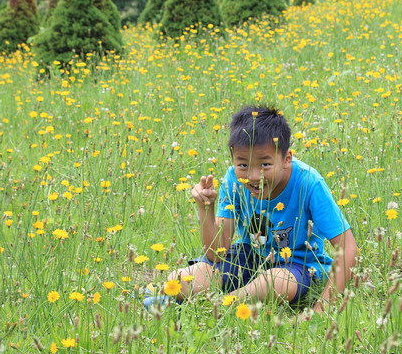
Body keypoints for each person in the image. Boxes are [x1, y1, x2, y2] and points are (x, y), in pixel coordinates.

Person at [144, 105, 357, 312]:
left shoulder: (309, 183)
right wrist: (205, 209)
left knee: (275, 283)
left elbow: (347, 246)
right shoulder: (233, 180)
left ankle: (217, 306)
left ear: (287, 158)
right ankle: (197, 301)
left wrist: (323, 307)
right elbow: (216, 253)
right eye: (243, 165)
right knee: (177, 281)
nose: (254, 176)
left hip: (296, 264)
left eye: (265, 164)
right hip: (248, 257)